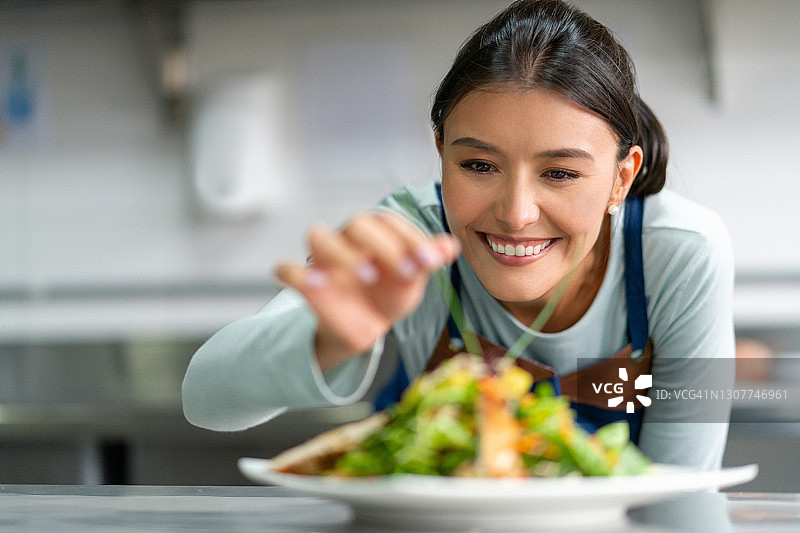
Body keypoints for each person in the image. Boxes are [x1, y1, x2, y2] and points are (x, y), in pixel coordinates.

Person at [182, 0, 734, 470]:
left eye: (560, 173)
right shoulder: (407, 240)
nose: (516, 214)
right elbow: (205, 399)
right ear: (441, 151)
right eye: (478, 166)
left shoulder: (680, 253)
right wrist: (332, 340)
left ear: (621, 178)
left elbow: (680, 493)